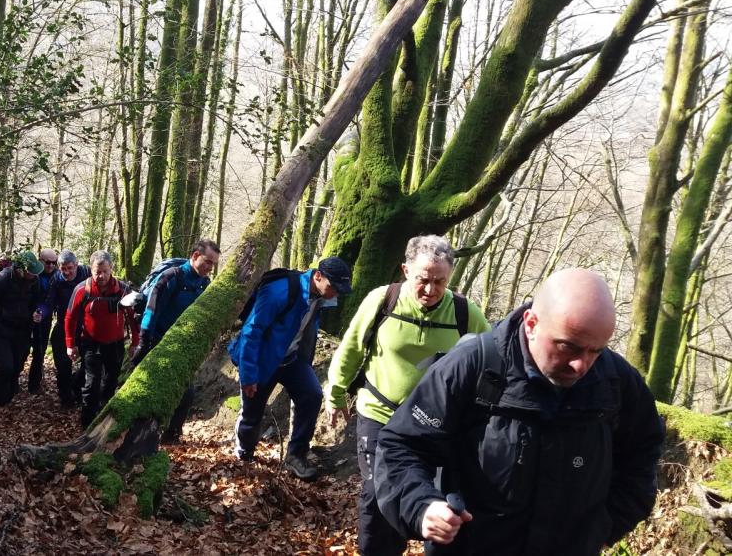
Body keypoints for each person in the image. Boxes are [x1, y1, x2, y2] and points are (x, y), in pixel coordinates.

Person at [373, 268, 665, 556]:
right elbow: (401, 445)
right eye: (568, 347)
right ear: (532, 323)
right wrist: (422, 506)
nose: (581, 365)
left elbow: (643, 453)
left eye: (596, 351)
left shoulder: (617, 382)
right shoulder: (473, 366)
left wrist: (605, 527)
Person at [324, 235, 489, 556]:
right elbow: (351, 348)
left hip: (435, 426)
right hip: (379, 415)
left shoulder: (463, 313)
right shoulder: (382, 300)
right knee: (378, 493)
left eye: (440, 282)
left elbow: (491, 358)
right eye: (423, 280)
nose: (430, 290)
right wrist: (336, 392)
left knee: (435, 497)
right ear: (405, 270)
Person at [227, 256, 353, 480]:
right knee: (252, 413)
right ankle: (244, 456)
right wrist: (248, 375)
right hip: (263, 360)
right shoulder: (280, 291)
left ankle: (296, 455)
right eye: (334, 287)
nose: (337, 294)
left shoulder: (321, 297)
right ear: (318, 276)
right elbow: (251, 332)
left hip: (292, 360)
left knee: (312, 395)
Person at [129, 239, 220, 442]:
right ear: (195, 256)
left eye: (213, 264)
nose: (209, 268)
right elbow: (151, 310)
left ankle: (172, 435)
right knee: (151, 391)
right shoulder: (171, 277)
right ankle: (137, 435)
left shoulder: (204, 285)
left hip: (180, 346)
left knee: (186, 394)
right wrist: (143, 343)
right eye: (207, 262)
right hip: (157, 342)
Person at [64, 250, 131, 428]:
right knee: (91, 385)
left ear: (111, 269)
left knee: (110, 384)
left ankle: (103, 423)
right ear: (90, 270)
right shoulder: (81, 289)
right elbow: (70, 317)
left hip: (115, 345)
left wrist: (136, 342)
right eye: (97, 272)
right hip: (91, 343)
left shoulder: (123, 290)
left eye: (105, 272)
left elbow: (133, 317)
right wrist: (70, 344)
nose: (101, 276)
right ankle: (86, 425)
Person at [0, 250, 44, 407]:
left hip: (22, 330)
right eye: (30, 272)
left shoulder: (34, 281)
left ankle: (7, 397)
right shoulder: (2, 279)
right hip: (1, 329)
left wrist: (37, 312)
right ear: (20, 270)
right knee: (5, 367)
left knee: (17, 366)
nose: (34, 275)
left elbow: (38, 302)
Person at [41, 250, 90, 407]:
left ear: (76, 265)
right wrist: (40, 312)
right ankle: (65, 397)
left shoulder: (87, 273)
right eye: (63, 269)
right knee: (63, 366)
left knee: (90, 362)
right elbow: (49, 302)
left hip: (85, 327)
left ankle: (76, 385)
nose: (67, 272)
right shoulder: (56, 279)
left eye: (70, 268)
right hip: (63, 326)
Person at [27, 248, 59, 394]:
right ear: (41, 261)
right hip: (26, 318)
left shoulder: (58, 276)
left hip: (44, 320)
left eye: (54, 262)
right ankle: (12, 380)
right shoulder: (32, 275)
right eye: (48, 262)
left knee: (40, 353)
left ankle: (34, 384)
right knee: (21, 350)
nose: (51, 265)